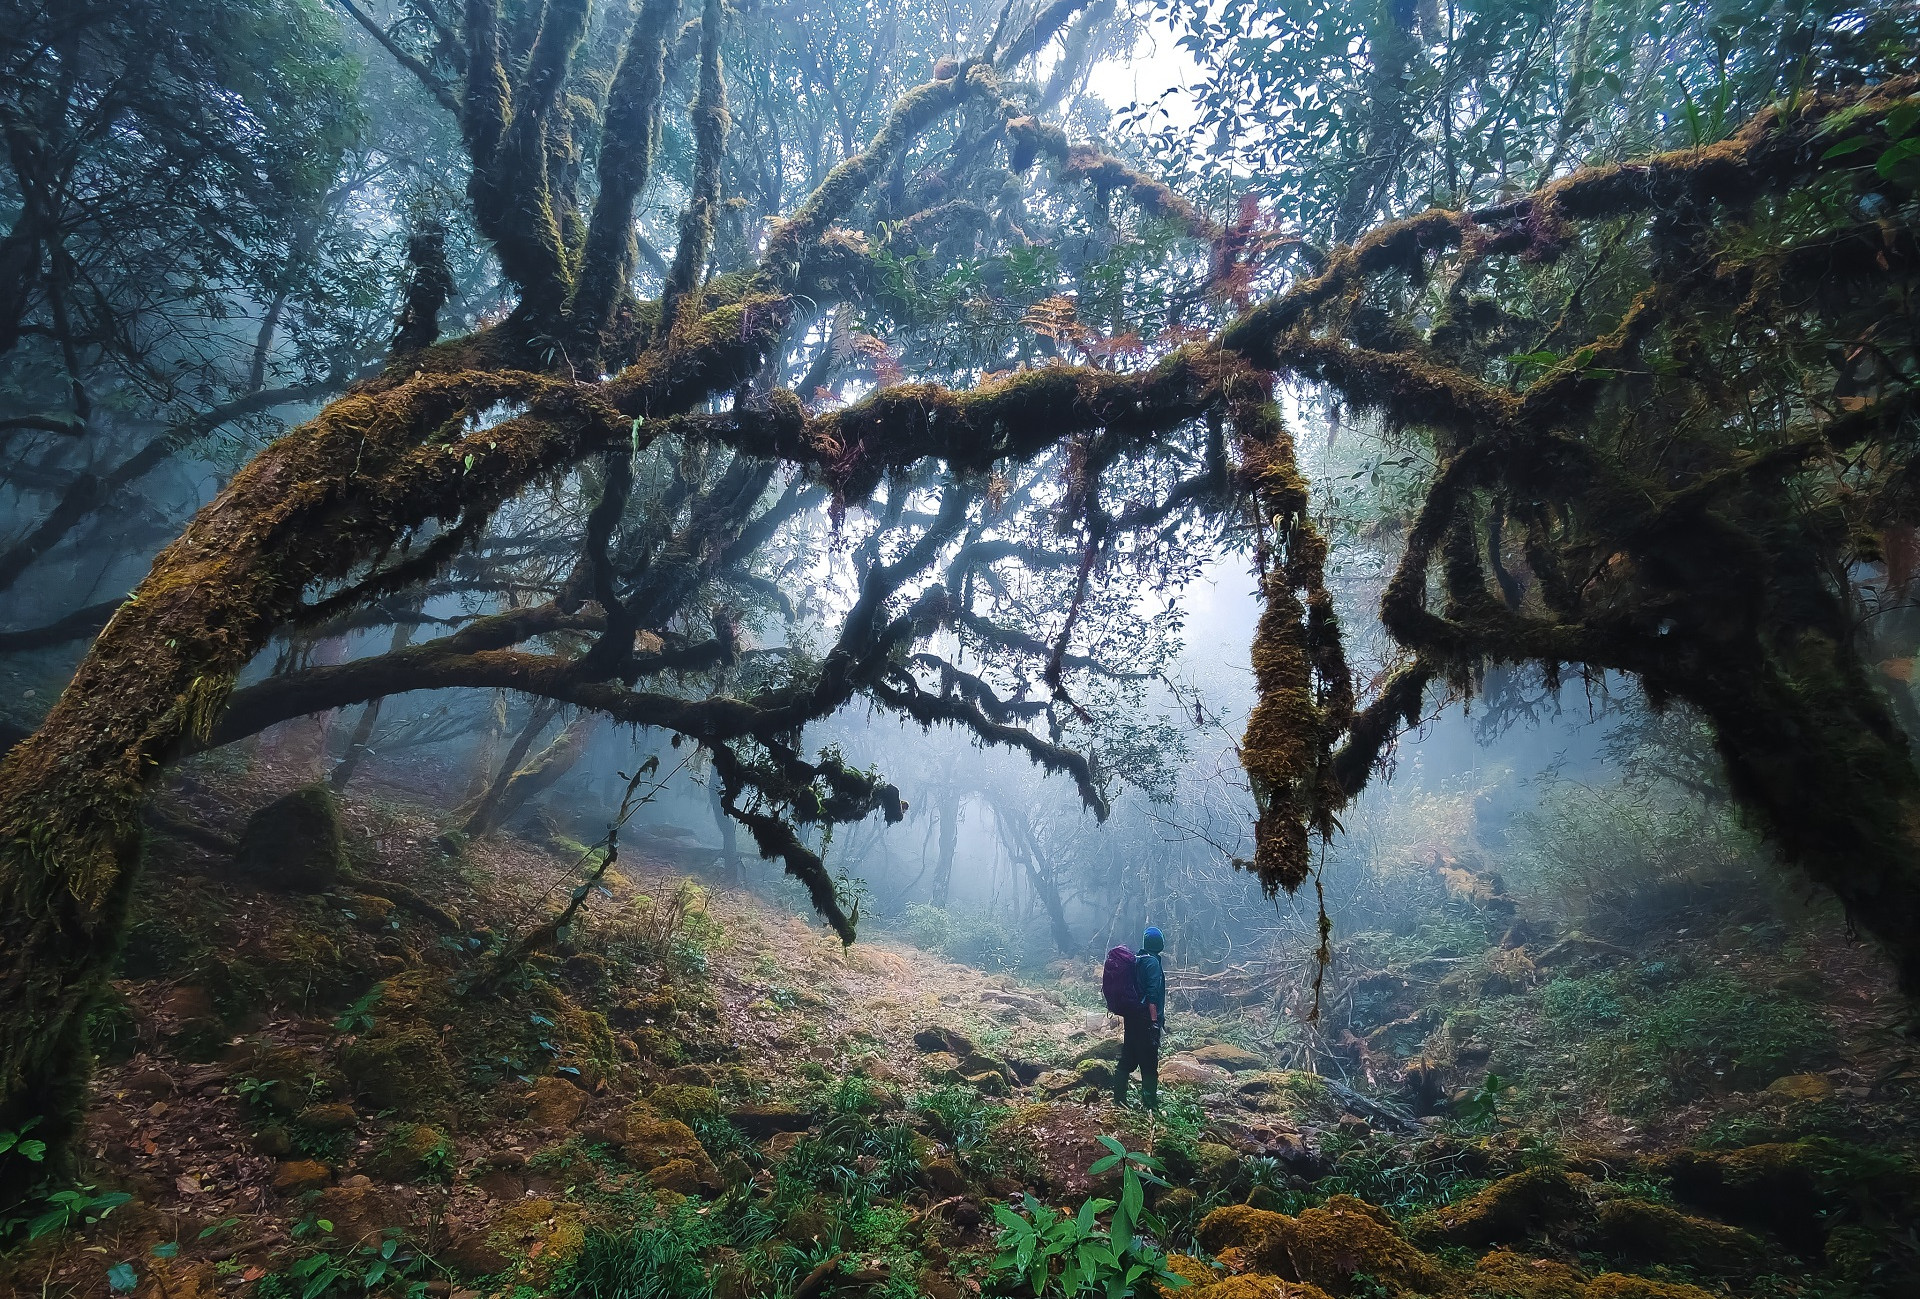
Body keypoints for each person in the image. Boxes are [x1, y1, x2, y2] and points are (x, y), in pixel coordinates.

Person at [1115, 926, 1166, 1109]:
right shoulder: (1152, 962)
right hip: (1146, 1020)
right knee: (1149, 1063)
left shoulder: (1137, 959)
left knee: (1129, 1057)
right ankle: (1150, 1105)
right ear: (1158, 943)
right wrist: (1154, 1022)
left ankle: (1119, 1099)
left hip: (1133, 1017)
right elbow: (1152, 994)